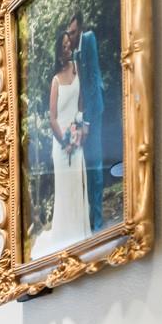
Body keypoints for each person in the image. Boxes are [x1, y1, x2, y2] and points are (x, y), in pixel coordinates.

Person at [36, 24, 92, 258]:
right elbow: (52, 118)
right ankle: (65, 238)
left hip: (76, 140)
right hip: (61, 144)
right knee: (65, 190)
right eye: (64, 46)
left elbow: (81, 103)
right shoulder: (55, 81)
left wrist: (81, 128)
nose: (68, 48)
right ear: (59, 51)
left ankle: (80, 234)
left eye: (69, 44)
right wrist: (64, 141)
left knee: (78, 185)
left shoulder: (77, 69)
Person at [65, 14, 108, 233]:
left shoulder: (89, 39)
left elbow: (91, 81)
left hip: (95, 110)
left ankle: (98, 221)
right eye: (69, 33)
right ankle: (90, 218)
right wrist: (79, 119)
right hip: (84, 113)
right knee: (88, 166)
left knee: (96, 162)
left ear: (80, 29)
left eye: (73, 32)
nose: (71, 37)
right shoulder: (74, 53)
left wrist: (88, 121)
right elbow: (79, 89)